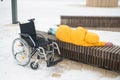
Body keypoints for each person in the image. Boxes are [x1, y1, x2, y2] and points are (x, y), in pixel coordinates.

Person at [48, 25, 113, 47]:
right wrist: (105, 43)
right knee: (58, 34)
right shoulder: (82, 42)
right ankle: (52, 31)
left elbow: (78, 28)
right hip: (61, 36)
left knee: (60, 30)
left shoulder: (82, 30)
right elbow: (95, 44)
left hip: (64, 28)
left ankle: (52, 29)